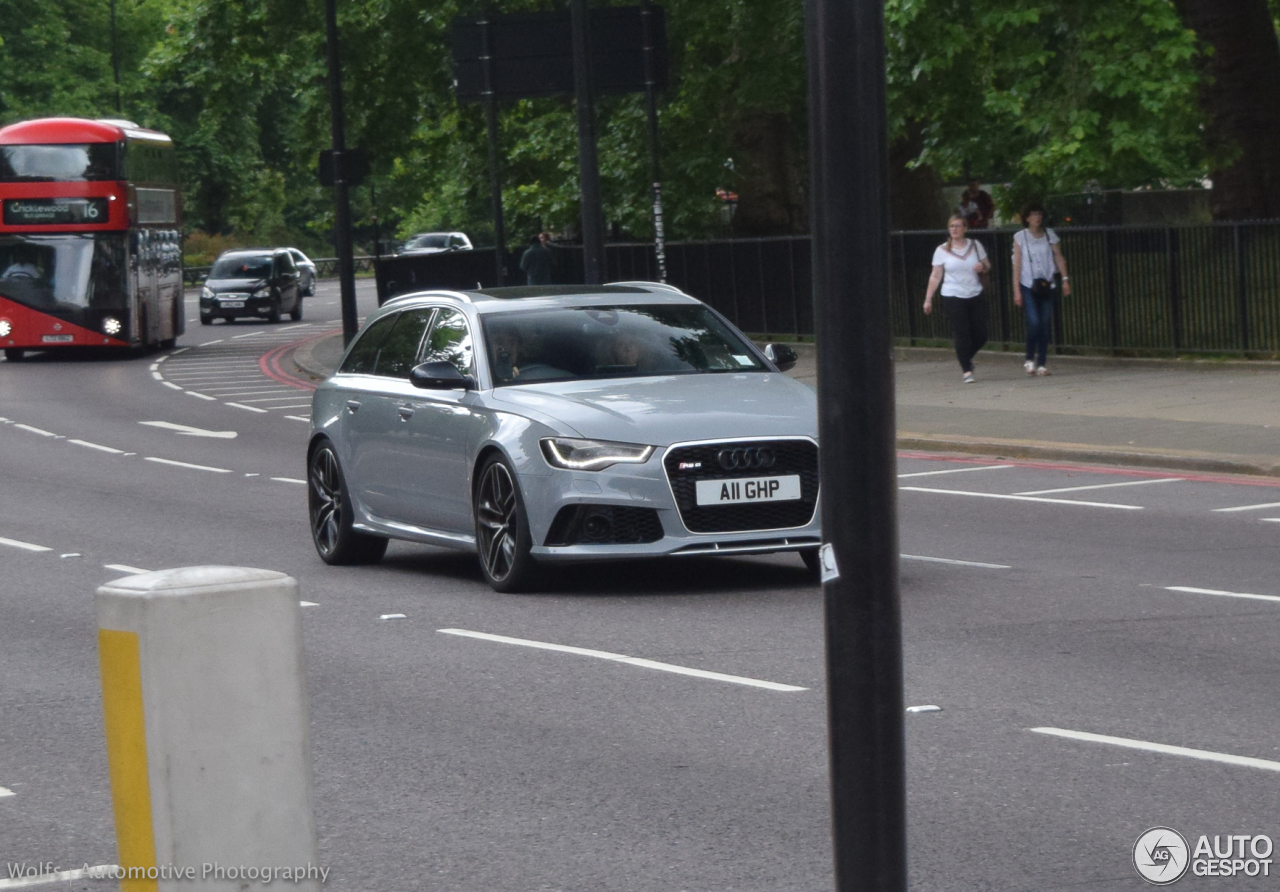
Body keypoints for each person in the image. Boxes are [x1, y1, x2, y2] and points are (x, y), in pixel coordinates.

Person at [923, 215, 991, 383]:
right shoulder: (941, 250)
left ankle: (965, 357)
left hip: (975, 293)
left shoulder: (975, 246)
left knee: (981, 334)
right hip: (952, 295)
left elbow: (987, 265)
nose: (954, 229)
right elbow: (935, 276)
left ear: (965, 228)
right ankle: (966, 370)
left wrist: (982, 267)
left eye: (958, 226)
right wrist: (928, 299)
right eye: (951, 226)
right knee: (962, 334)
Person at [1012, 203, 1071, 376]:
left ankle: (1042, 363)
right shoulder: (1020, 237)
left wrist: (1065, 279)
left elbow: (1059, 257)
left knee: (1045, 323)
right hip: (1028, 284)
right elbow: (1017, 265)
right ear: (1027, 218)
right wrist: (1016, 290)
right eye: (1033, 214)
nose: (1037, 217)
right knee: (1034, 322)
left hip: (1047, 283)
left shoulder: (1049, 235)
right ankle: (1029, 358)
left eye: (1039, 214)